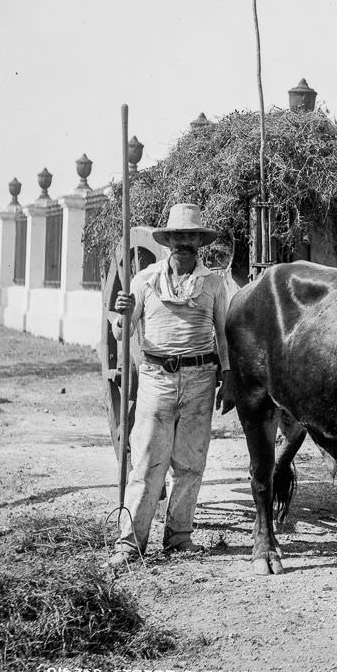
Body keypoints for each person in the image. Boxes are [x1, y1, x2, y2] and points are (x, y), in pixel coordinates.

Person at [109, 203, 230, 569]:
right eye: (179, 237)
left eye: (191, 237)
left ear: (199, 243)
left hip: (200, 381)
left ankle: (179, 538)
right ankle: (130, 544)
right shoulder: (144, 281)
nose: (185, 244)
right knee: (146, 463)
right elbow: (122, 331)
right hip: (156, 379)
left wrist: (228, 376)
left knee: (191, 464)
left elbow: (222, 335)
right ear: (168, 241)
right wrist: (121, 313)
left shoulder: (212, 283)